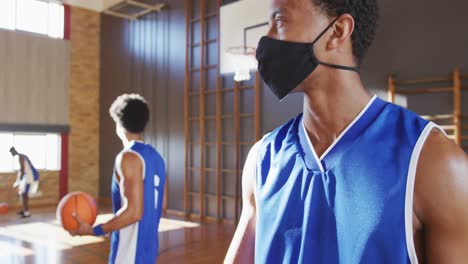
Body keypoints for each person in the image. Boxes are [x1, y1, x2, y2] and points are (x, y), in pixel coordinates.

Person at [225, 0, 468, 263]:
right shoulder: (262, 159)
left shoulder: (433, 161)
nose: (267, 38)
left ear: (337, 31)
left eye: (280, 21)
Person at [71, 94, 166, 264]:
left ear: (119, 124)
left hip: (129, 253)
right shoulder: (157, 158)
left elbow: (133, 212)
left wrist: (94, 230)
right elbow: (161, 205)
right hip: (149, 252)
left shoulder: (128, 157)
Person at [10, 147, 40, 218]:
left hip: (30, 177)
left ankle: (26, 212)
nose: (12, 154)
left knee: (24, 194)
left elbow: (23, 170)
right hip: (28, 177)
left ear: (14, 151)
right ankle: (24, 210)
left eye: (12, 152)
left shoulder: (20, 157)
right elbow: (22, 170)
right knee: (23, 194)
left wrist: (19, 182)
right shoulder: (23, 156)